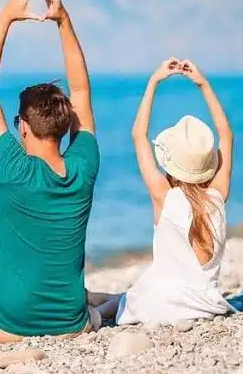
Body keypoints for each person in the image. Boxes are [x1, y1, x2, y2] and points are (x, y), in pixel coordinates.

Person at [0, 0, 101, 344]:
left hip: (2, 329)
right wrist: (63, 21)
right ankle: (101, 309)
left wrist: (6, 17)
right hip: (72, 325)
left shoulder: (12, 168)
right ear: (68, 125)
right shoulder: (84, 166)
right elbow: (80, 91)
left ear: (21, 127)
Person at [96, 58, 235, 324]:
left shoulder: (165, 197)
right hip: (207, 305)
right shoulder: (218, 196)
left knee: (124, 300)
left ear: (171, 166)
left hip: (162, 305)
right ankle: (99, 303)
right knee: (130, 294)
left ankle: (95, 315)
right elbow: (226, 134)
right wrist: (204, 85)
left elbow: (138, 135)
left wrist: (153, 82)